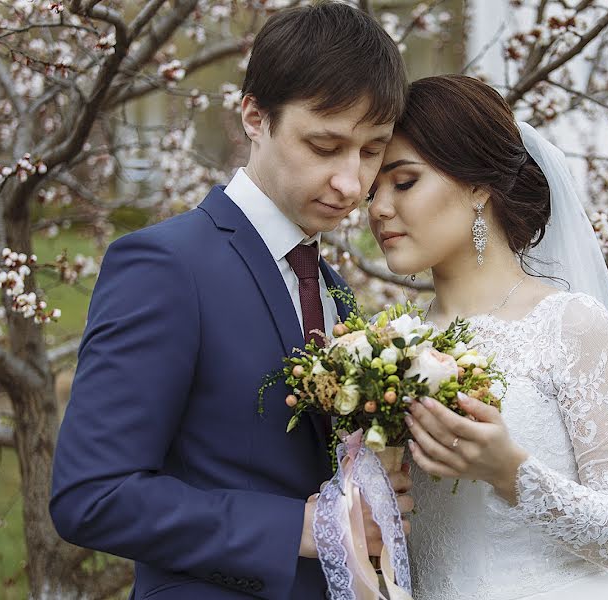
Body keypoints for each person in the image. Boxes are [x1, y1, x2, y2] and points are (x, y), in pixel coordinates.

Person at [49, 4, 412, 599]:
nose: (352, 184)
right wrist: (301, 528)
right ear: (253, 116)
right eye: (325, 145)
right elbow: (92, 495)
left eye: (371, 151)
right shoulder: (165, 266)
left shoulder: (332, 287)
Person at [367, 74, 608, 599]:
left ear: (478, 185)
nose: (379, 209)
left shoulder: (570, 326)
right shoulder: (387, 351)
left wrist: (512, 473)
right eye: (371, 190)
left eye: (403, 182)